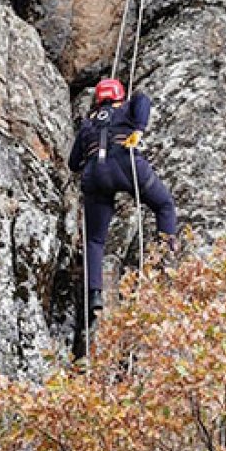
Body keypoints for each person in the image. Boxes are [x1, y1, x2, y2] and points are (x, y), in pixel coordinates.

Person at [68, 78, 178, 322]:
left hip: (95, 172)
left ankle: (94, 294)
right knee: (164, 205)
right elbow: (142, 98)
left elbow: (73, 163)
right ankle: (167, 256)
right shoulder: (128, 107)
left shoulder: (88, 124)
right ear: (119, 95)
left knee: (95, 240)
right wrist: (138, 129)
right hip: (125, 162)